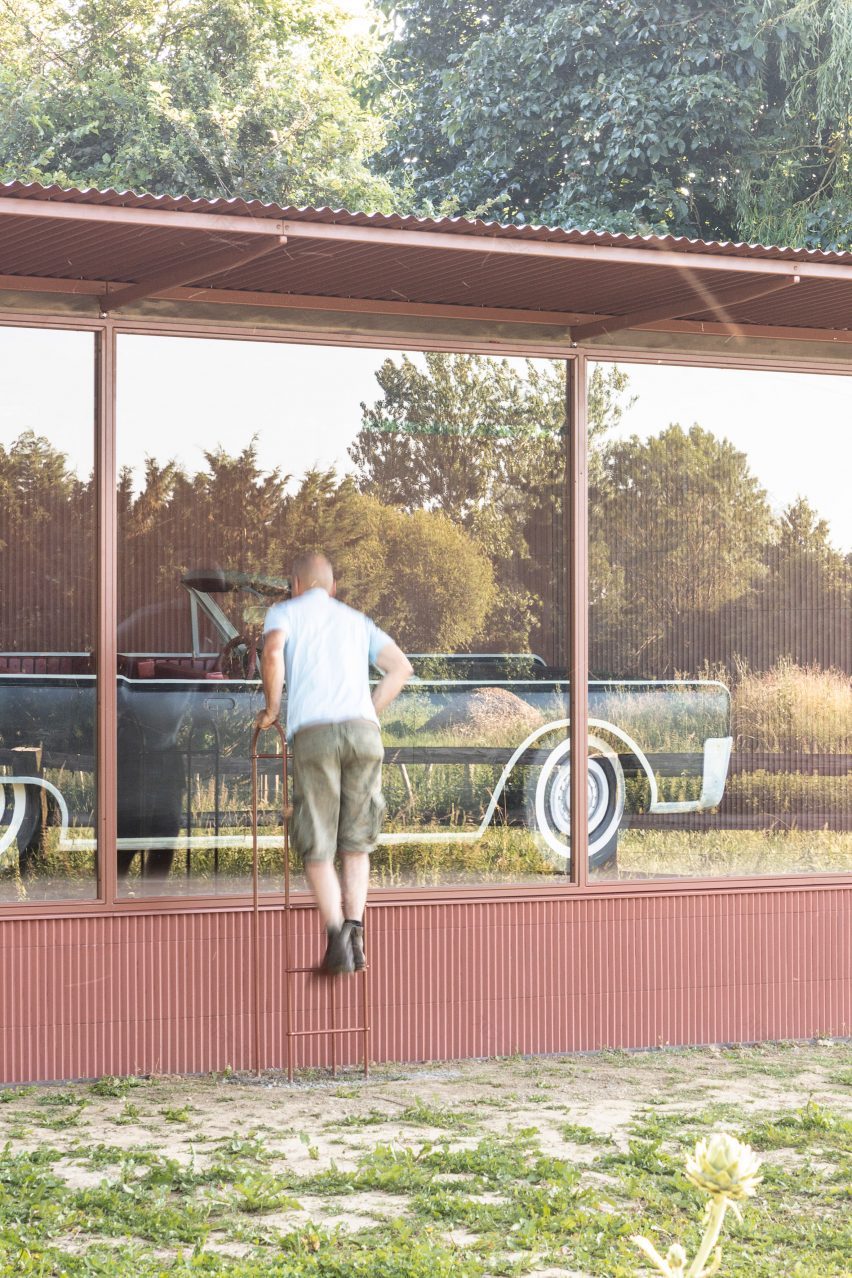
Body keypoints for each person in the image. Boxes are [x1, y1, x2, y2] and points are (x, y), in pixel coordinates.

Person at [255, 552, 412, 974]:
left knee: (318, 843)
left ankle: (335, 936)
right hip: (364, 733)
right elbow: (401, 668)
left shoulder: (283, 611)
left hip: (316, 732)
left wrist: (272, 708)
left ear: (295, 585)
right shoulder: (356, 621)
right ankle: (355, 930)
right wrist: (370, 712)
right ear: (334, 588)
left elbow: (272, 654)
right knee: (356, 841)